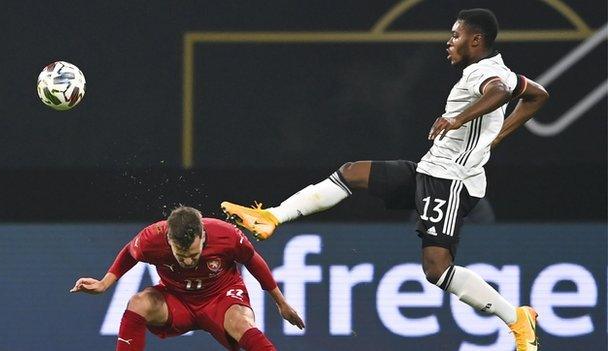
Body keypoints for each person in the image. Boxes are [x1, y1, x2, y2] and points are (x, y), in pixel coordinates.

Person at [221, 8, 548, 351]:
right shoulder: (497, 69)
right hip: (430, 170)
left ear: (476, 40)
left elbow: (497, 91)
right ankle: (273, 216)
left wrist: (458, 120)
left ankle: (516, 319)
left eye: (456, 36)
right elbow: (538, 95)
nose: (449, 42)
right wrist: (496, 137)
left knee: (437, 269)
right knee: (352, 173)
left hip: (451, 182)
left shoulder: (487, 73)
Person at [70, 205, 304, 351]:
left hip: (220, 297)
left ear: (203, 236)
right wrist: (104, 284)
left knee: (242, 323)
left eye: (193, 254)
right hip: (177, 299)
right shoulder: (153, 238)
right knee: (138, 302)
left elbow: (253, 261)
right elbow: (130, 253)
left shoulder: (226, 234)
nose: (189, 261)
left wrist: (281, 302)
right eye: (181, 255)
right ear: (170, 240)